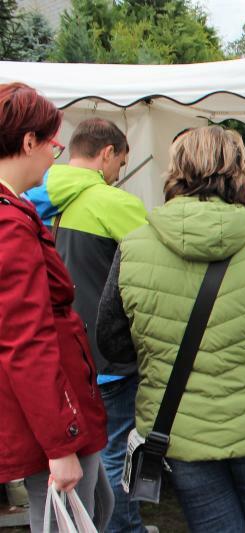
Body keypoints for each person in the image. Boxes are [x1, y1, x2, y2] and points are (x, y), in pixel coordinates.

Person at [96, 125, 245, 532]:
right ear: (238, 172)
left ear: (175, 171)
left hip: (180, 428)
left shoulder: (133, 248)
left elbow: (112, 344)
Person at [24, 118, 150, 533]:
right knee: (115, 452)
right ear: (107, 153)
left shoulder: (29, 199)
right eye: (121, 162)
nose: (118, 174)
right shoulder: (113, 202)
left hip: (54, 359)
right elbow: (152, 273)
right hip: (108, 353)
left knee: (80, 463)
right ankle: (124, 529)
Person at [0, 82, 111, 533]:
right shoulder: (8, 222)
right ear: (28, 141)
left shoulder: (15, 210)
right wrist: (59, 443)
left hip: (61, 409)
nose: (56, 152)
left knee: (97, 509)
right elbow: (25, 341)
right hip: (53, 415)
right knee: (70, 520)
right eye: (51, 141)